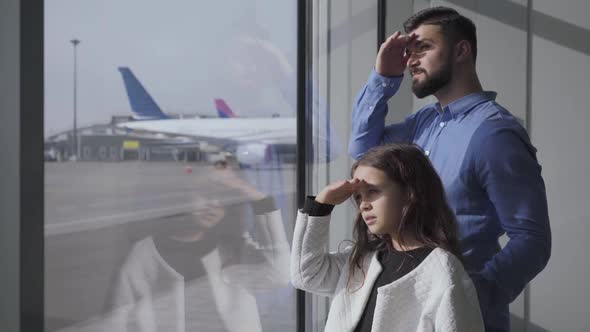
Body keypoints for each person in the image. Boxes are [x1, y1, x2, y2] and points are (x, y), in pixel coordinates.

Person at [348, 6, 551, 331]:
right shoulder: (424, 122)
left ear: (461, 50)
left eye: (423, 48)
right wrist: (383, 79)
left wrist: (472, 295)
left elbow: (532, 239)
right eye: (408, 52)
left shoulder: (494, 133)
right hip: (404, 309)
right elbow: (362, 151)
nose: (411, 60)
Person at [291, 144, 484, 331]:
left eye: (373, 191)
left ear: (409, 193)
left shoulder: (442, 271)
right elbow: (306, 274)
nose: (363, 204)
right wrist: (321, 205)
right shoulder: (362, 259)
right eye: (358, 197)